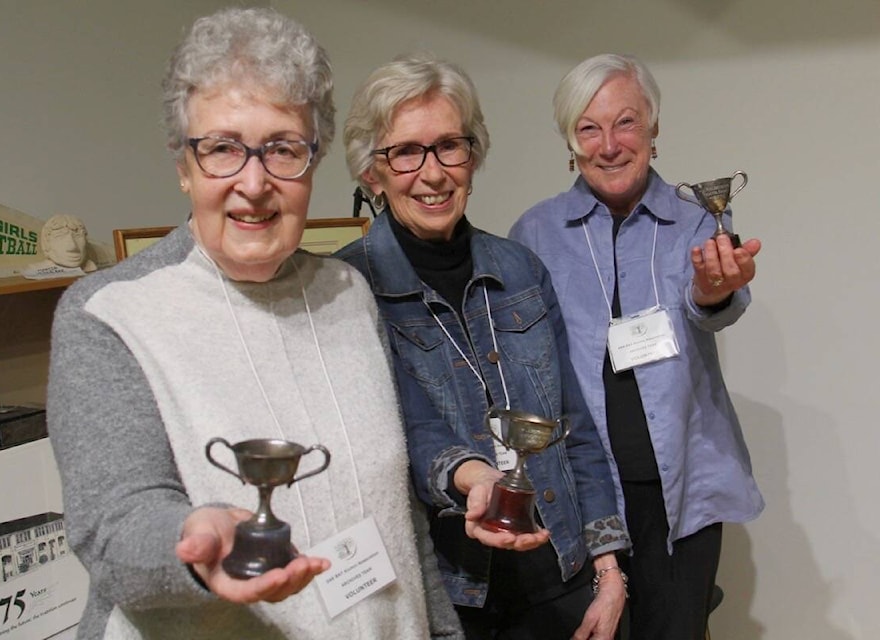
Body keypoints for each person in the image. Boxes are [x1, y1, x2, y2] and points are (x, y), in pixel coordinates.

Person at [46, 9, 462, 640]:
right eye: (221, 148)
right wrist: (193, 541)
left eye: (282, 148)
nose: (254, 181)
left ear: (313, 162)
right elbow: (113, 530)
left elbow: (398, 512)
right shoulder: (109, 313)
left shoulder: (349, 294)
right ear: (183, 166)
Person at [335, 53, 631, 640]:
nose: (433, 172)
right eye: (406, 151)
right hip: (454, 597)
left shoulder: (519, 268)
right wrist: (471, 477)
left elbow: (574, 424)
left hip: (564, 571)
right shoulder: (346, 289)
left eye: (450, 145)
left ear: (473, 155)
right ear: (373, 172)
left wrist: (609, 568)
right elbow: (401, 432)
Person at [509, 53, 765, 640]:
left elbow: (716, 307)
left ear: (653, 130)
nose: (609, 145)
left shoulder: (697, 222)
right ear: (570, 142)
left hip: (684, 491)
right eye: (588, 128)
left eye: (625, 123)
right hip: (584, 497)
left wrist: (713, 290)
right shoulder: (534, 234)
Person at [22, 214, 97, 278]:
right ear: (46, 242)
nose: (72, 247)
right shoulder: (34, 269)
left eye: (78, 236)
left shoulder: (91, 266)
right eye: (60, 236)